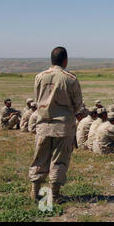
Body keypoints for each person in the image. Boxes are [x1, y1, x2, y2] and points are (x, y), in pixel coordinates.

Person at [29, 46, 83, 203]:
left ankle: (35, 191)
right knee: (59, 161)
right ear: (65, 60)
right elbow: (78, 104)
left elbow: (37, 99)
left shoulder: (39, 77)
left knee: (39, 158)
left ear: (51, 60)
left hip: (43, 125)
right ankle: (54, 194)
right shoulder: (70, 79)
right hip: (63, 127)